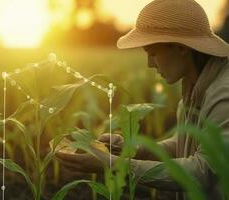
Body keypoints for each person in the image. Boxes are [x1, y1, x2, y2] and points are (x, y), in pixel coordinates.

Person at [56, 0, 229, 199]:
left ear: (181, 48)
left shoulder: (224, 94)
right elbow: (186, 144)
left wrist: (112, 164)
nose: (149, 64)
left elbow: (204, 172)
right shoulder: (195, 85)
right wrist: (132, 150)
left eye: (153, 53)